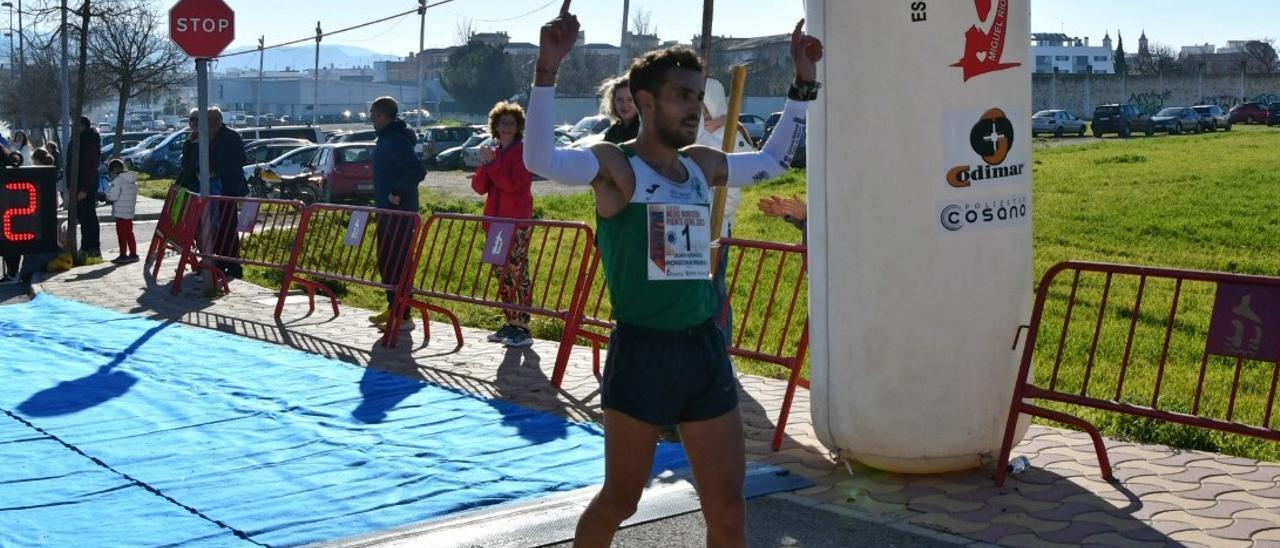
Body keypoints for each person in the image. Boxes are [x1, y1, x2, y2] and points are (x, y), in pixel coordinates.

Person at [523, 3, 819, 546]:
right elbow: (541, 158)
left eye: (698, 95)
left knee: (728, 508)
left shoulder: (702, 164)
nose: (695, 107)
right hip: (643, 354)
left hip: (703, 349)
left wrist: (803, 85)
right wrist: (547, 71)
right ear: (644, 101)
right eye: (683, 96)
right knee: (621, 499)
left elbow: (775, 162)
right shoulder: (615, 166)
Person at [472, 101, 536, 348]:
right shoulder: (494, 153)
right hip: (494, 224)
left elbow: (512, 185)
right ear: (495, 127)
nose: (506, 128)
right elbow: (479, 188)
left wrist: (492, 165)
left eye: (511, 123)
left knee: (519, 273)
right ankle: (510, 321)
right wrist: (486, 164)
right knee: (501, 274)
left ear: (518, 126)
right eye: (502, 123)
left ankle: (524, 326)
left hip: (516, 223)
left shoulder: (524, 153)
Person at [367, 96, 427, 331]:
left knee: (398, 262)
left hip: (399, 213)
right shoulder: (385, 139)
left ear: (384, 116)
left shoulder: (396, 140)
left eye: (374, 114)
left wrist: (397, 192)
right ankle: (394, 307)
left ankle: (403, 315)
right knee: (386, 261)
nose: (371, 119)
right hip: (385, 211)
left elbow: (417, 170)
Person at [176, 107, 249, 279]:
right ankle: (214, 262)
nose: (213, 123)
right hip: (209, 190)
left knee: (228, 228)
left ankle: (232, 265)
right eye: (209, 120)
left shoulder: (231, 136)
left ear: (221, 120)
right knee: (211, 228)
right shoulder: (204, 138)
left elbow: (239, 161)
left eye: (216, 119)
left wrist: (217, 173)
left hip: (227, 189)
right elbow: (192, 162)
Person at [72, 116, 102, 258]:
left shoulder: (89, 141)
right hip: (79, 184)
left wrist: (84, 189)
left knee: (88, 216)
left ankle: (91, 247)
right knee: (83, 216)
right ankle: (87, 246)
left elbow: (90, 167)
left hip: (86, 186)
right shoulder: (79, 140)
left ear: (83, 126)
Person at [104, 159, 139, 264]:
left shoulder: (117, 181)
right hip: (129, 212)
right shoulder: (131, 180)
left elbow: (112, 197)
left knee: (121, 235)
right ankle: (133, 254)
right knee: (129, 233)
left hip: (120, 212)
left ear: (113, 171)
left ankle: (123, 255)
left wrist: (105, 196)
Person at [599, 76, 639, 144]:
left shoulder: (645, 131)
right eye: (619, 100)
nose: (624, 105)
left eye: (630, 99)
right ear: (613, 102)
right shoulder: (613, 131)